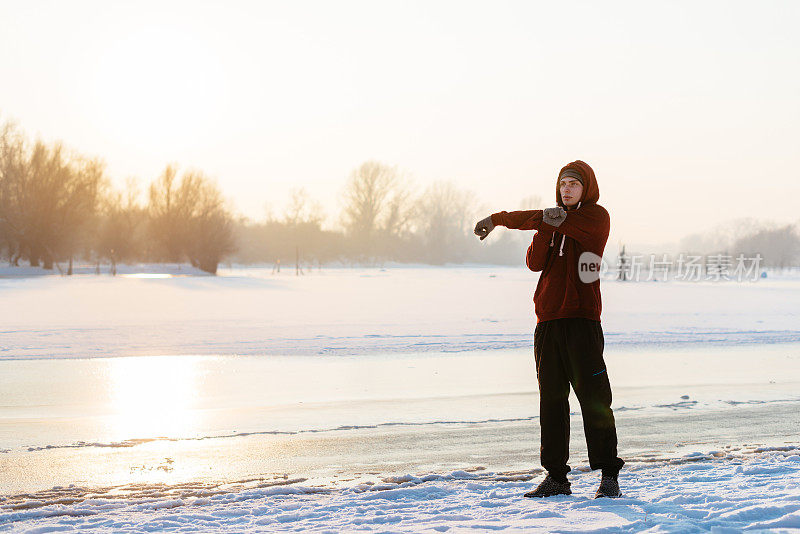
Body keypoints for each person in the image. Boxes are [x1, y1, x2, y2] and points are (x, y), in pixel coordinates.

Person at [473, 160, 624, 499]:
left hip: (582, 321)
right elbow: (535, 263)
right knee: (552, 401)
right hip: (548, 323)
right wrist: (537, 226)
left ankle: (609, 476)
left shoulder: (596, 218)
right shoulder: (552, 220)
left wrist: (507, 219)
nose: (566, 189)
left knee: (594, 400)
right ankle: (556, 477)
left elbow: (547, 218)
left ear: (586, 189)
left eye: (574, 184)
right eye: (563, 184)